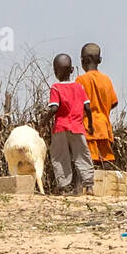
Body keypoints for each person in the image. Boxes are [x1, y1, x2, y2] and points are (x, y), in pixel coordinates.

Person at [46, 53, 94, 195]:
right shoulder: (79, 87)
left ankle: (63, 187)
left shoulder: (56, 88)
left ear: (55, 71)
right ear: (72, 70)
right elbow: (87, 108)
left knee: (60, 157)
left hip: (60, 127)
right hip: (78, 127)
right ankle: (89, 186)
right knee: (82, 155)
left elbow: (54, 108)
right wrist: (90, 124)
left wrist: (44, 121)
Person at [76, 43, 119, 168]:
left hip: (88, 127)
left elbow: (77, 105)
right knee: (106, 161)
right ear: (100, 60)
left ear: (83, 60)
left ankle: (83, 188)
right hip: (104, 128)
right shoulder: (107, 80)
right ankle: (108, 187)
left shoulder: (81, 80)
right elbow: (114, 102)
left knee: (85, 165)